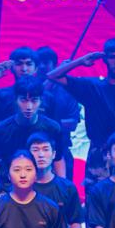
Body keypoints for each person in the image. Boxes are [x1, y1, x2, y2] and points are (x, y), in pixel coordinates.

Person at [47, 38, 115, 193]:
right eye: (112, 57)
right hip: (99, 153)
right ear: (105, 59)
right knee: (95, 198)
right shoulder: (92, 87)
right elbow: (53, 76)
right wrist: (80, 61)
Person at [0, 77, 66, 198]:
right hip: (10, 186)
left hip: (43, 185)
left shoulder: (52, 128)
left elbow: (58, 158)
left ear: (41, 101)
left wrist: (62, 186)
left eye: (34, 101)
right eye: (23, 100)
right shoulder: (1, 130)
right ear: (15, 100)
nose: (29, 106)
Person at [35, 46, 81, 178]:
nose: (42, 66)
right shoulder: (29, 89)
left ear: (55, 65)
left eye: (46, 62)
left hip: (61, 148)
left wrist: (45, 123)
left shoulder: (68, 91)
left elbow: (72, 123)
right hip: (34, 150)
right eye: (39, 63)